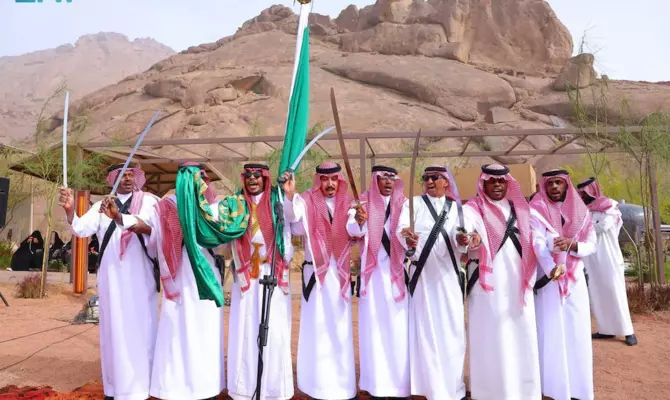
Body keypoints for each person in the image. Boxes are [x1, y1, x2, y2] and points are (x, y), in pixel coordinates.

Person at [141, 162, 246, 400]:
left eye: (201, 178)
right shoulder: (167, 207)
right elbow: (148, 228)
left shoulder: (215, 207)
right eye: (191, 177)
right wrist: (120, 218)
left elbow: (226, 239)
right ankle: (174, 388)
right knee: (177, 330)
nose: (198, 182)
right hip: (179, 277)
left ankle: (206, 388)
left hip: (207, 277)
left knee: (206, 331)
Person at [58, 163, 160, 400]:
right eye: (122, 175)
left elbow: (154, 231)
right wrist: (70, 210)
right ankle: (114, 388)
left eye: (131, 175)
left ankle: (140, 388)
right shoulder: (100, 206)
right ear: (113, 179)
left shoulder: (149, 202)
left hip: (140, 277)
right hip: (111, 278)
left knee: (141, 329)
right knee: (113, 331)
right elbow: (80, 229)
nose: (127, 179)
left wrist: (119, 217)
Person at [395, 165, 475, 400]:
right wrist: (407, 237)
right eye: (426, 178)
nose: (429, 181)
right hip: (423, 278)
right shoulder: (413, 205)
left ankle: (453, 387)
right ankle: (430, 388)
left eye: (434, 178)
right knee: (426, 332)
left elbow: (466, 239)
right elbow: (402, 229)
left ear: (446, 182)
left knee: (452, 332)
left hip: (449, 278)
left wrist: (463, 240)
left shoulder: (458, 209)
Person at [462, 164, 541, 400]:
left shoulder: (520, 209)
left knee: (520, 334)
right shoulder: (472, 209)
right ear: (483, 183)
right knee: (490, 336)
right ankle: (489, 392)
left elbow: (538, 238)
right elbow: (465, 234)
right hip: (488, 286)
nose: (497, 185)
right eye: (492, 181)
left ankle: (523, 391)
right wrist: (470, 239)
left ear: (508, 184)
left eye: (501, 181)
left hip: (518, 285)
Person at [283, 161, 357, 400]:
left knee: (340, 331)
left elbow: (355, 230)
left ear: (339, 180)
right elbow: (294, 221)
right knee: (317, 330)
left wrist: (362, 220)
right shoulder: (306, 200)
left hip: (340, 276)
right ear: (319, 181)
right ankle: (317, 387)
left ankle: (342, 388)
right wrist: (290, 195)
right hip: (315, 276)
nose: (330, 184)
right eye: (325, 179)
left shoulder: (348, 203)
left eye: (334, 179)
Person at [227, 163, 295, 400]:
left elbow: (293, 223)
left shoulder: (277, 203)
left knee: (274, 331)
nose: (253, 179)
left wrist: (289, 195)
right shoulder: (235, 204)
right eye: (248, 176)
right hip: (247, 273)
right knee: (245, 330)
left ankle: (274, 390)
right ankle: (245, 390)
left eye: (257, 176)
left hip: (272, 273)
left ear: (265, 179)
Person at [530, 169, 597, 400]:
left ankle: (578, 390)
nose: (555, 187)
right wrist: (552, 268)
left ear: (566, 184)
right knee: (551, 332)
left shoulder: (582, 211)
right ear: (545, 186)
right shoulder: (536, 209)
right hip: (549, 280)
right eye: (550, 183)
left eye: (558, 182)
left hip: (575, 279)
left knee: (576, 332)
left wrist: (573, 245)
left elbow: (592, 244)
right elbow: (537, 243)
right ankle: (553, 389)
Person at [347, 165, 410, 400]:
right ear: (375, 180)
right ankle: (376, 386)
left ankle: (400, 386)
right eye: (383, 178)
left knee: (398, 330)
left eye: (392, 178)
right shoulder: (361, 203)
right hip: (372, 278)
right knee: (374, 330)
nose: (388, 182)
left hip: (396, 276)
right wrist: (360, 221)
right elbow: (352, 230)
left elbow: (406, 231)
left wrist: (408, 236)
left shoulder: (404, 204)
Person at [577, 177, 637, 346]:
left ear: (592, 190)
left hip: (608, 256)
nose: (582, 195)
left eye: (584, 192)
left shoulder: (609, 206)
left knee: (615, 292)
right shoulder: (583, 210)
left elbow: (602, 227)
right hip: (591, 257)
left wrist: (584, 228)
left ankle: (628, 331)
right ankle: (606, 330)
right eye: (580, 193)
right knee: (597, 293)